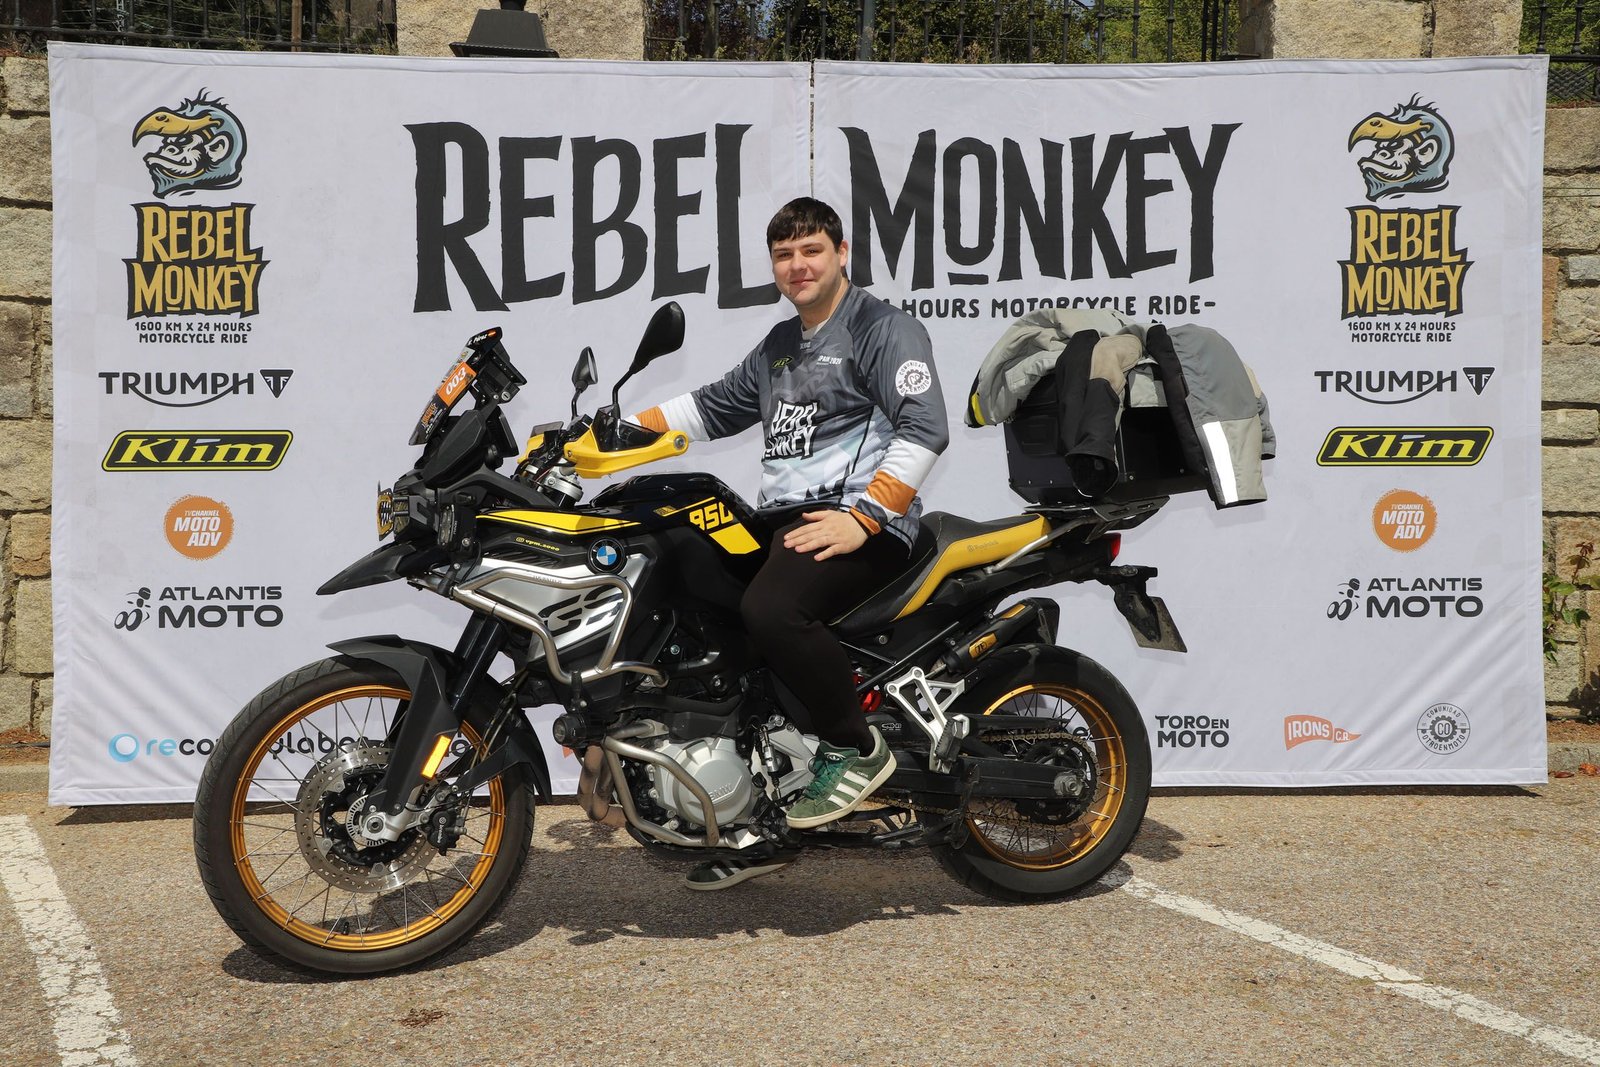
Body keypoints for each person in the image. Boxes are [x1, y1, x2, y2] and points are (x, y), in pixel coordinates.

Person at [633, 197, 949, 889]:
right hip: (790, 522)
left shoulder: (882, 328)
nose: (797, 265)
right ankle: (758, 810)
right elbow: (709, 408)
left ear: (842, 253)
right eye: (784, 254)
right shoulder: (781, 344)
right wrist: (613, 435)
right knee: (686, 576)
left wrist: (865, 518)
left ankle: (855, 747)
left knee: (771, 610)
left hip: (863, 524)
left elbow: (925, 427)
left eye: (811, 250)